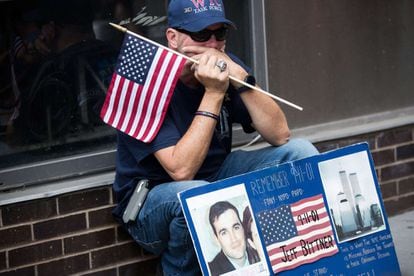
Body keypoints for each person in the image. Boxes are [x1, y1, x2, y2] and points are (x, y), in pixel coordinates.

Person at [112, 0, 319, 275]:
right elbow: (182, 170)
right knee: (193, 195)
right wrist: (214, 93)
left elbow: (280, 135)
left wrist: (243, 78)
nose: (212, 44)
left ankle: (297, 260)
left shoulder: (226, 65)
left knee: (300, 153)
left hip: (216, 177)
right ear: (173, 38)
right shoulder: (144, 78)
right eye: (200, 34)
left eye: (219, 33)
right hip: (151, 199)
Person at [208, 201, 259, 276]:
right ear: (216, 239)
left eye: (236, 227)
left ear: (243, 228)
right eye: (224, 233)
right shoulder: (211, 272)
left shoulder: (259, 252)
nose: (233, 238)